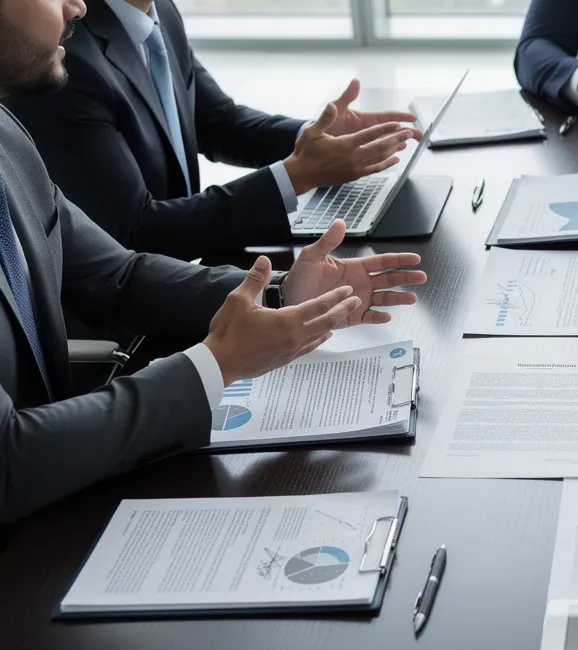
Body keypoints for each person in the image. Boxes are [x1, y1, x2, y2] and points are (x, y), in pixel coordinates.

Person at [0, 0, 427, 521]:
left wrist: (278, 295)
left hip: (61, 494)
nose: (76, 5)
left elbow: (118, 275)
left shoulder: (6, 134)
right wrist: (214, 365)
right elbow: (9, 460)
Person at [3, 0, 421, 258]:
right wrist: (298, 175)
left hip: (189, 268)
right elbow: (136, 231)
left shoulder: (155, 10)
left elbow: (218, 121)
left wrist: (315, 136)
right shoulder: (60, 56)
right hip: (135, 312)